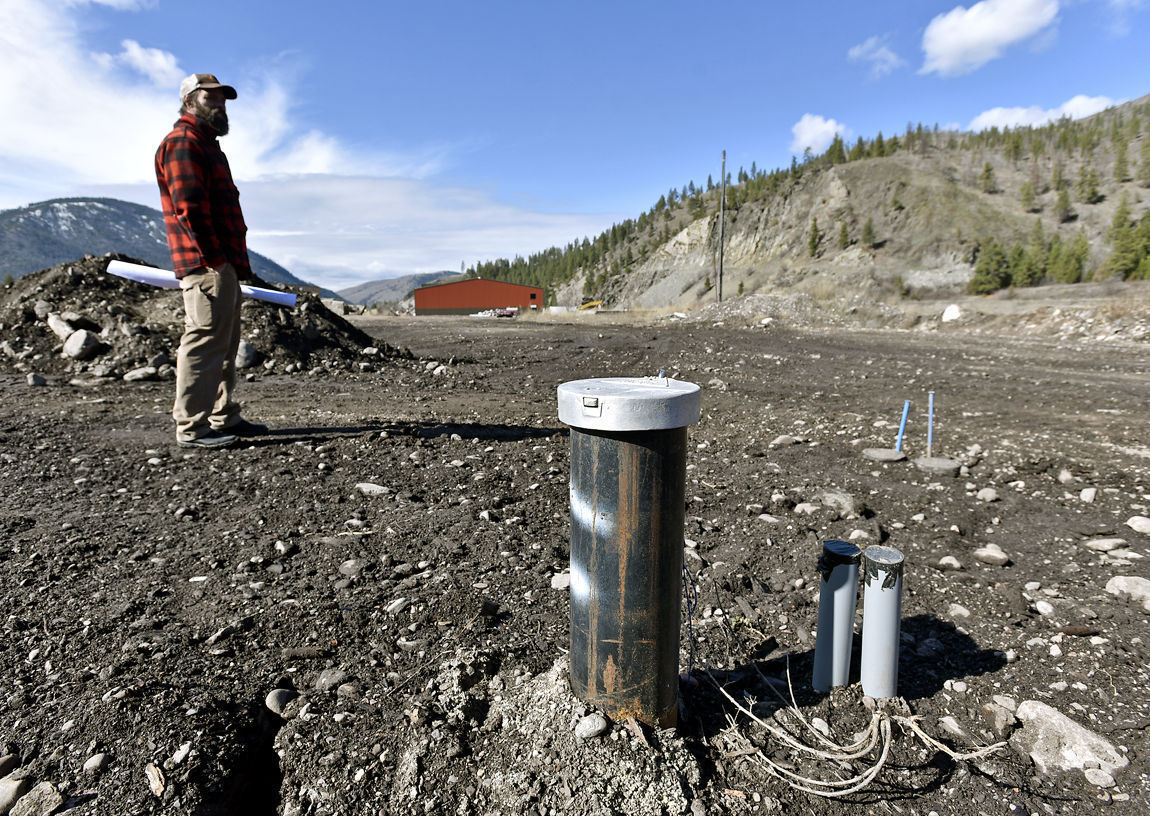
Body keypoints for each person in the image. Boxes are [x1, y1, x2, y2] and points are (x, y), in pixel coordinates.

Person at [155, 73, 268, 448]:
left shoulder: (206, 144)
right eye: (210, 98)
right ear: (189, 101)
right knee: (204, 342)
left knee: (224, 343)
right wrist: (216, 261)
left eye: (223, 99)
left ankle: (223, 416)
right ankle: (192, 428)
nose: (219, 105)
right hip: (207, 266)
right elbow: (189, 209)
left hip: (221, 265)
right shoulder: (184, 142)